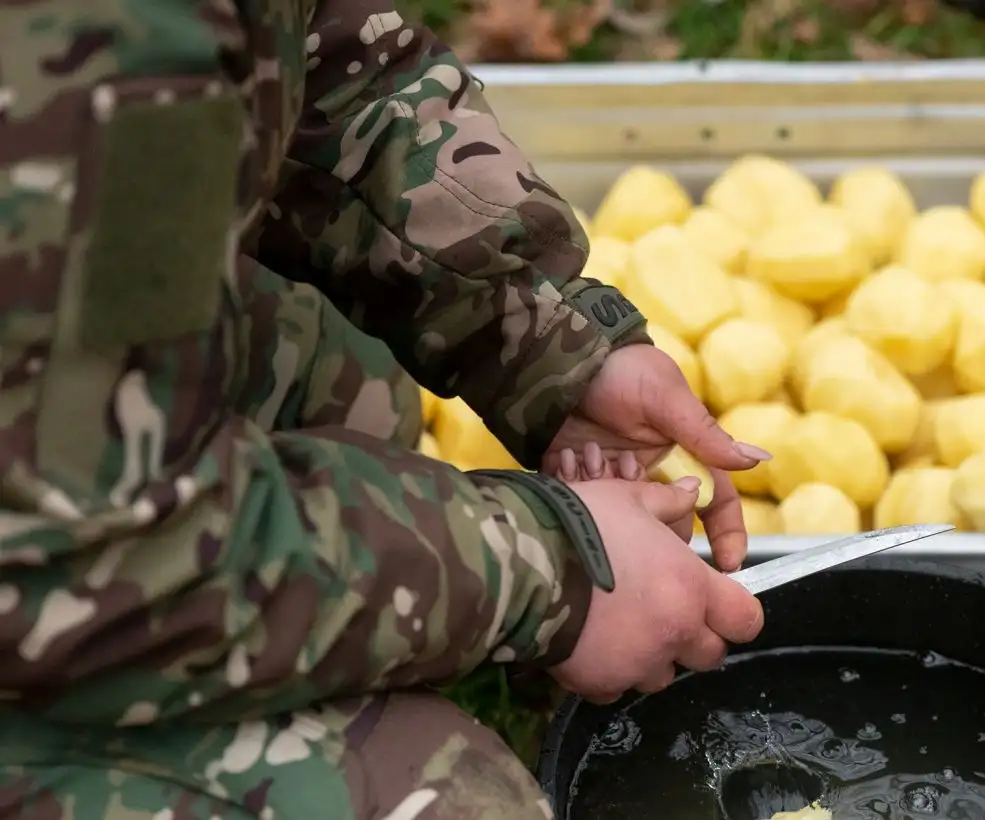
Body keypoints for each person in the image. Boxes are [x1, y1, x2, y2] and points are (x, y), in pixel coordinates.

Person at [0, 0, 770, 817]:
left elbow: (327, 57)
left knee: (336, 384)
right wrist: (552, 570)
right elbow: (95, 555)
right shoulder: (96, 36)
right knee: (449, 800)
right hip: (60, 555)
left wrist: (549, 341)